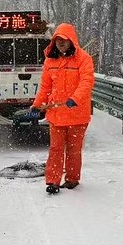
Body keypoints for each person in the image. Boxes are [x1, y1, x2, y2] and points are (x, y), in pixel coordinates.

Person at [18, 22, 95, 194]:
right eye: (57, 39)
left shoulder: (84, 59)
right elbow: (45, 87)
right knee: (56, 149)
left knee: (74, 150)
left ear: (71, 40)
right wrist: (37, 104)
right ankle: (53, 181)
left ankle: (72, 179)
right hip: (57, 114)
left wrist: (75, 98)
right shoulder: (50, 60)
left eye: (64, 39)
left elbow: (87, 82)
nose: (60, 43)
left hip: (77, 114)